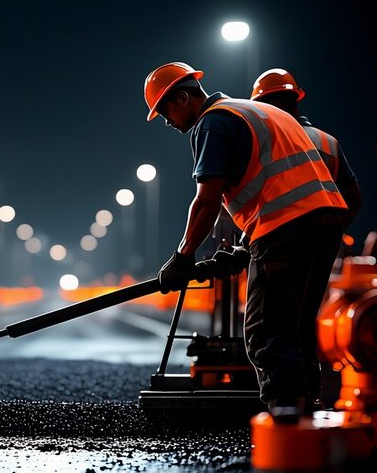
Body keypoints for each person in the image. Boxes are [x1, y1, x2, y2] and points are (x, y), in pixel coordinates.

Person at [144, 62, 350, 422]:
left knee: (266, 330)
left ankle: (285, 429)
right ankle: (305, 417)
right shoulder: (255, 110)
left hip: (284, 226)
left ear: (182, 97)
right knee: (297, 327)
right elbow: (273, 183)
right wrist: (245, 247)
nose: (166, 121)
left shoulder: (212, 122)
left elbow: (207, 201)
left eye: (165, 111)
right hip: (324, 220)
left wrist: (182, 256)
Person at [250, 68, 362, 226]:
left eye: (261, 109)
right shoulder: (329, 141)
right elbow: (354, 199)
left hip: (283, 241)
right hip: (326, 243)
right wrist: (334, 232)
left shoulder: (273, 141)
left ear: (275, 105)